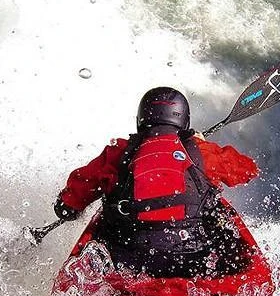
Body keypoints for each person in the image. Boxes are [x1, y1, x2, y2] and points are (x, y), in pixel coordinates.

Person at [51, 87, 259, 277]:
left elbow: (70, 200)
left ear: (140, 120)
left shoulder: (118, 153)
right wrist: (201, 145)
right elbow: (248, 170)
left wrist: (68, 209)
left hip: (130, 259)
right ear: (184, 120)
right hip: (191, 257)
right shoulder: (203, 152)